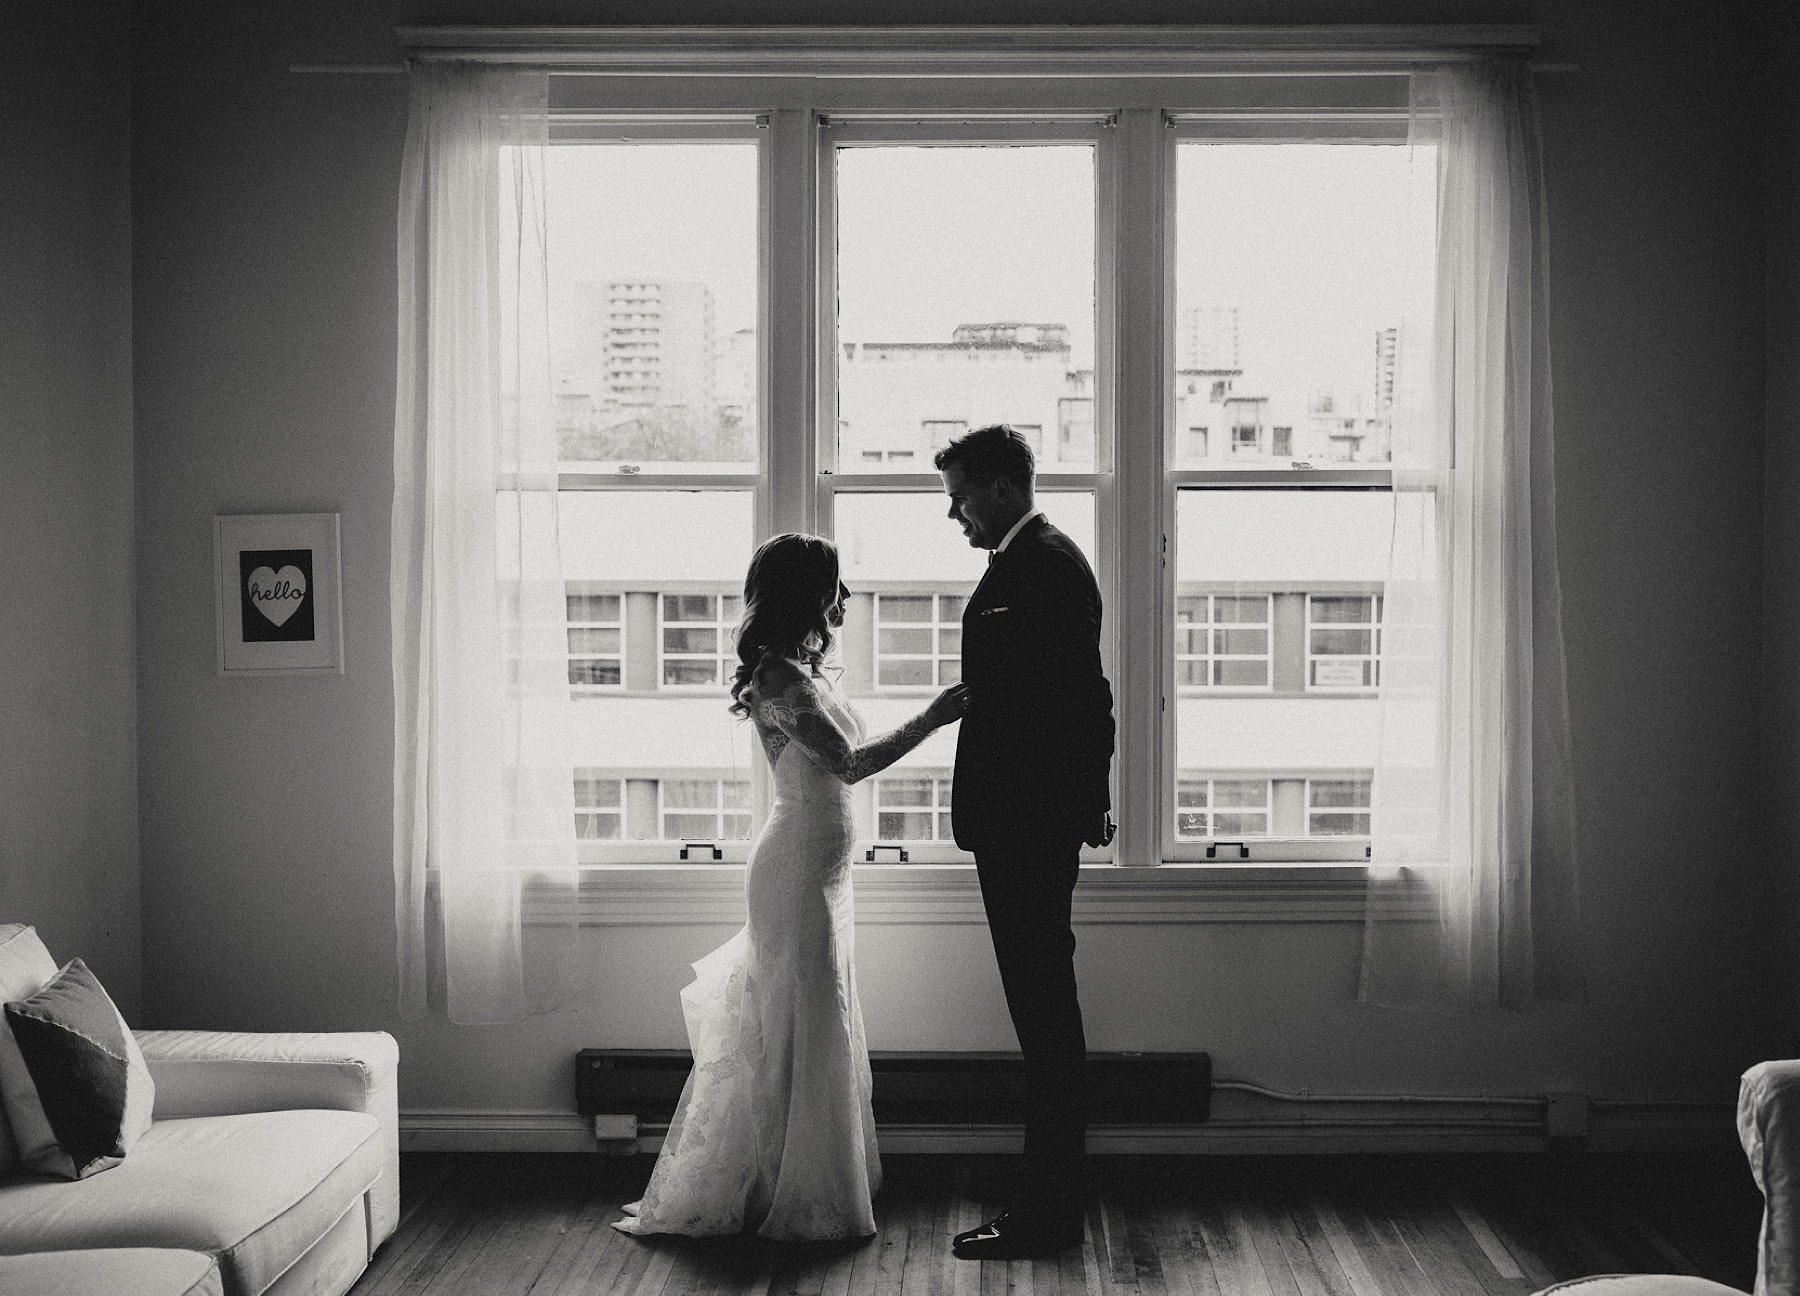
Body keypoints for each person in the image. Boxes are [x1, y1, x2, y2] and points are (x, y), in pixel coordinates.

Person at [613, 532, 968, 1242]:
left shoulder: (807, 674)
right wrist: (934, 717)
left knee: (818, 1018)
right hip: (796, 870)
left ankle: (808, 1178)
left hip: (826, 873)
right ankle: (784, 1188)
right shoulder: (777, 677)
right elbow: (850, 762)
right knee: (798, 1023)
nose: (845, 600)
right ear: (806, 593)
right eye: (835, 586)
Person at [937, 424, 1115, 1261]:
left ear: (1002, 489)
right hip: (1019, 823)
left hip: (1030, 827)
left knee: (1045, 1015)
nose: (953, 513)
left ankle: (1048, 1213)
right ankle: (1043, 1185)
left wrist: (1078, 811)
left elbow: (1085, 701)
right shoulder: (1024, 562)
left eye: (960, 495)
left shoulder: (1046, 565)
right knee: (1038, 1012)